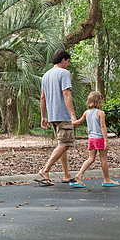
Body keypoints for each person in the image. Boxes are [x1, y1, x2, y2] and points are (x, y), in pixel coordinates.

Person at [37, 49, 77, 185]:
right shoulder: (64, 73)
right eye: (68, 61)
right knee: (66, 144)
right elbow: (66, 93)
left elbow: (42, 97)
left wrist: (43, 116)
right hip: (63, 114)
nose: (68, 64)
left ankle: (66, 174)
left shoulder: (46, 75)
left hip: (53, 115)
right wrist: (72, 115)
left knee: (61, 144)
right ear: (63, 60)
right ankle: (45, 169)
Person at [70, 91, 120, 188]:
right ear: (98, 102)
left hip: (91, 139)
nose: (102, 103)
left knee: (91, 158)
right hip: (99, 139)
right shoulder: (100, 113)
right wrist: (106, 140)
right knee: (103, 159)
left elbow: (78, 122)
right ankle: (107, 179)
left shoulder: (86, 112)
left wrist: (71, 123)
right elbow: (103, 126)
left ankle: (79, 175)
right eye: (101, 101)